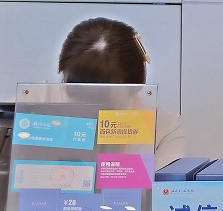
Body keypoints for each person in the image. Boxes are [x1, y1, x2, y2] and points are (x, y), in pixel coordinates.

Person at [58, 18, 185, 169]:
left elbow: (159, 184)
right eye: (75, 92)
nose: (88, 109)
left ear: (137, 84)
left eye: (102, 98)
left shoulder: (164, 129)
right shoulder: (37, 112)